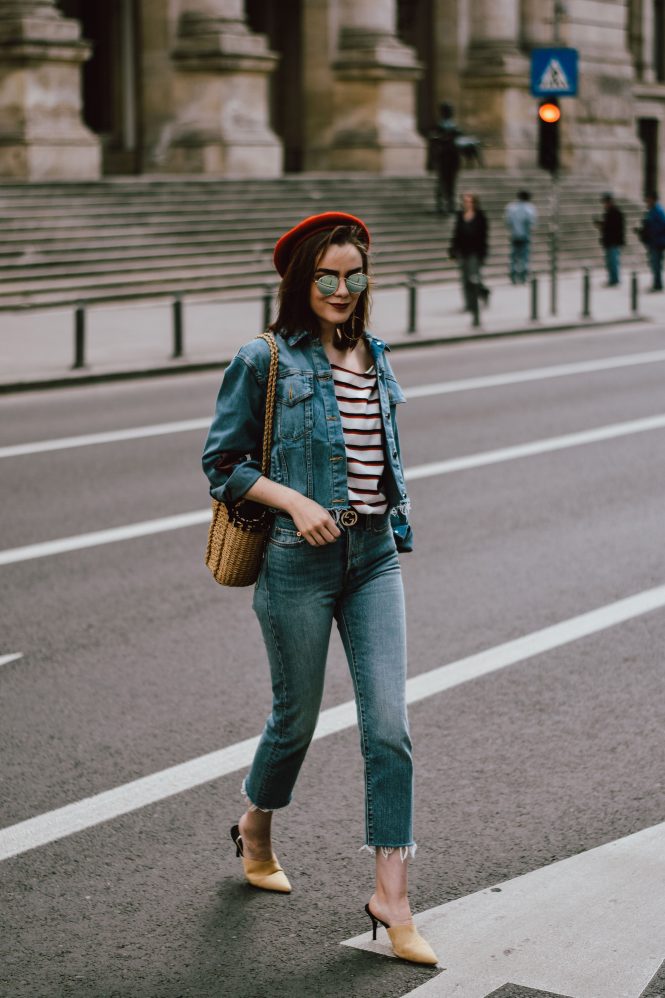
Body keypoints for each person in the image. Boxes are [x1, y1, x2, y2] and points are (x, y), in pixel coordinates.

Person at [202, 212, 439, 967]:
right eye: (326, 276)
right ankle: (256, 823)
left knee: (389, 728)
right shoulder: (263, 358)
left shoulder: (376, 353)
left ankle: (392, 899)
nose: (341, 289)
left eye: (354, 275)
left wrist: (385, 515)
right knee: (295, 719)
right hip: (294, 562)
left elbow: (379, 454)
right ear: (301, 281)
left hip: (372, 559)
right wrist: (296, 501)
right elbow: (222, 463)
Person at [449, 191, 490, 320]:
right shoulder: (460, 216)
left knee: (474, 277)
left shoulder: (480, 216)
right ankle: (468, 304)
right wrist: (452, 250)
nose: (467, 204)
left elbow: (484, 236)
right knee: (465, 278)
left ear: (474, 203)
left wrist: (483, 253)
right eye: (465, 201)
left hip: (475, 252)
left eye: (470, 201)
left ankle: (481, 295)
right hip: (463, 251)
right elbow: (456, 234)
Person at [429, 102, 461, 215]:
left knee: (450, 182)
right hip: (444, 157)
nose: (451, 112)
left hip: (452, 156)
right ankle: (441, 205)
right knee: (442, 182)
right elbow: (435, 139)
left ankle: (450, 204)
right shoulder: (441, 125)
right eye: (449, 110)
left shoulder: (452, 124)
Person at [504, 190, 537, 284]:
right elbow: (532, 223)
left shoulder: (511, 207)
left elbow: (508, 221)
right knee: (524, 257)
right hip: (525, 235)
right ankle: (523, 276)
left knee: (514, 256)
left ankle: (513, 275)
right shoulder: (529, 208)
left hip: (514, 235)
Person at [593, 192, 625, 287]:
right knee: (610, 261)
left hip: (613, 242)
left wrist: (602, 225)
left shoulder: (615, 212)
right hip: (609, 241)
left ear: (610, 202)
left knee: (613, 261)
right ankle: (612, 278)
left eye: (605, 202)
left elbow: (613, 228)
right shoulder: (609, 212)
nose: (604, 205)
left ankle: (614, 279)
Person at [636, 191, 665, 292]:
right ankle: (656, 283)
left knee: (656, 264)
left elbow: (661, 226)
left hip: (657, 242)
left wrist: (649, 229)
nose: (647, 201)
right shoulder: (651, 211)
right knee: (654, 263)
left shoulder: (658, 211)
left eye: (648, 199)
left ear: (653, 199)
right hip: (652, 242)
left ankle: (658, 284)